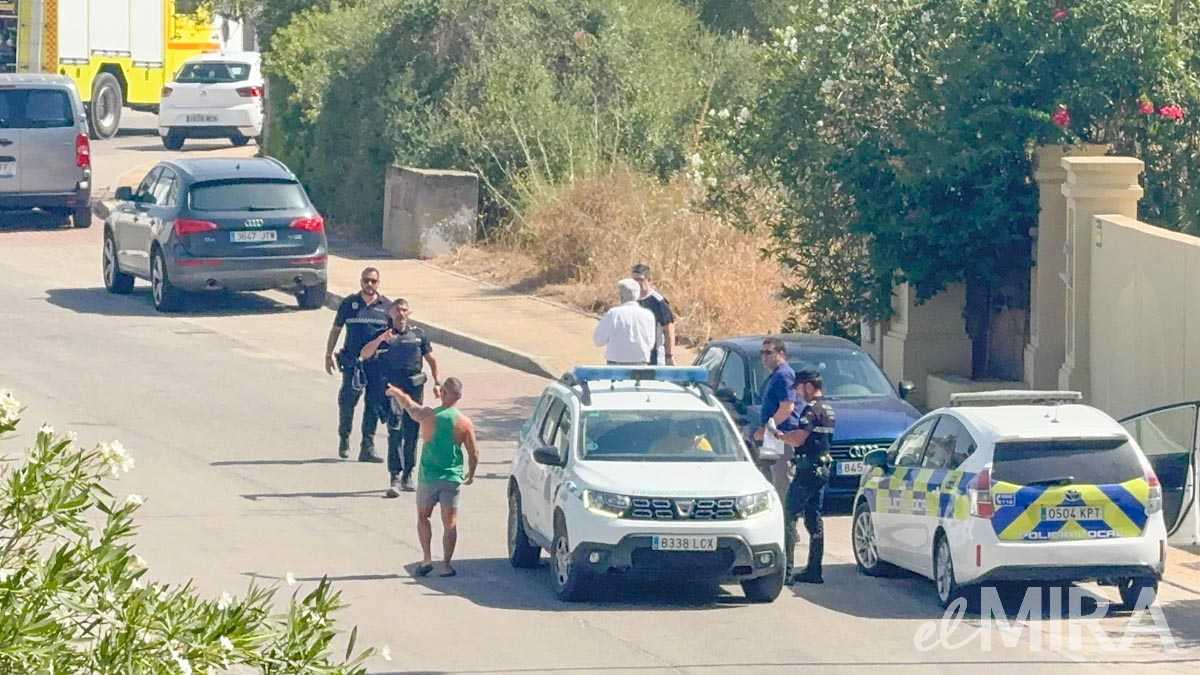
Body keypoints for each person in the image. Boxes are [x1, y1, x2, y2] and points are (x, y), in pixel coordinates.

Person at [385, 378, 479, 578]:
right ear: (459, 397)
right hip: (452, 478)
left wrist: (396, 392)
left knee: (423, 517)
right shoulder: (464, 423)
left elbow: (410, 406)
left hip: (429, 477)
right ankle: (445, 565)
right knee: (450, 523)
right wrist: (471, 473)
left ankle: (427, 558)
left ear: (442, 393)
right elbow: (474, 453)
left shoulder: (429, 415)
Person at [360, 299, 441, 497]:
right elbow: (364, 354)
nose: (401, 314)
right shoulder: (383, 335)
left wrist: (437, 382)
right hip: (393, 389)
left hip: (414, 389)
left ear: (409, 313)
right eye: (397, 310)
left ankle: (408, 474)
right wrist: (380, 340)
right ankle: (394, 476)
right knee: (395, 431)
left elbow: (431, 359)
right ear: (390, 313)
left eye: (404, 310)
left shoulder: (418, 335)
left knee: (412, 432)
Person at [773, 369, 836, 584]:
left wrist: (781, 436)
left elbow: (800, 438)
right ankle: (814, 570)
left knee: (789, 515)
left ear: (809, 386)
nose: (798, 393)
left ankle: (786, 572)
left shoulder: (811, 410)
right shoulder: (828, 409)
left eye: (799, 388)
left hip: (808, 470)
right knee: (814, 518)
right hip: (822, 469)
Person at [324, 267, 389, 462]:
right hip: (353, 362)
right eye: (366, 280)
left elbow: (394, 336)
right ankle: (344, 438)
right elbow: (336, 330)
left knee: (374, 404)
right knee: (347, 401)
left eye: (373, 281)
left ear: (378, 283)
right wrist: (328, 354)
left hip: (377, 365)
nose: (369, 284)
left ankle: (367, 447)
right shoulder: (349, 303)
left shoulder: (386, 306)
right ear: (361, 281)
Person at [753, 337, 799, 496]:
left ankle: (785, 519)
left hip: (782, 436)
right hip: (774, 437)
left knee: (782, 482)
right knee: (771, 480)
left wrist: (766, 429)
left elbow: (787, 408)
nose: (764, 357)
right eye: (762, 353)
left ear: (781, 354)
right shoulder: (776, 375)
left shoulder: (784, 375)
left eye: (768, 352)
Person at [592, 278, 656, 365]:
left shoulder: (613, 313)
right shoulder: (648, 315)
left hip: (615, 366)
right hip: (641, 364)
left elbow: (598, 341)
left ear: (621, 296)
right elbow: (650, 344)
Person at [630, 263, 676, 365]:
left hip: (655, 357)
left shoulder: (658, 301)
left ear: (649, 280)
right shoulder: (630, 300)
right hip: (634, 357)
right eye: (634, 280)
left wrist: (669, 355)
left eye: (640, 280)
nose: (636, 283)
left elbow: (669, 329)